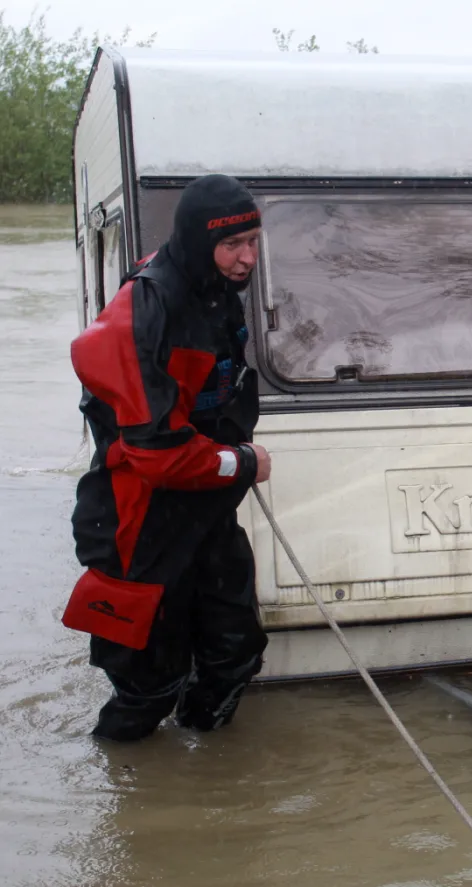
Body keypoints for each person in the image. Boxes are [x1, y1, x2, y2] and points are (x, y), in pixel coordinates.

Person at [64, 174, 273, 741]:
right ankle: (130, 798)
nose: (247, 258)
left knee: (236, 654)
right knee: (147, 683)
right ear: (200, 240)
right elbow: (156, 451)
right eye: (233, 245)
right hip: (138, 518)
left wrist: (229, 460)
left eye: (253, 241)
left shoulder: (212, 287)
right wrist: (243, 463)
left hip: (203, 511)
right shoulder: (146, 308)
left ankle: (211, 790)